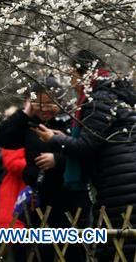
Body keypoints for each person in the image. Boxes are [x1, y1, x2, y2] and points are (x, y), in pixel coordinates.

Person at [34, 49, 136, 261]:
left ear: (83, 74)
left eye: (73, 75)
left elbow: (86, 145)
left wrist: (54, 139)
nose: (72, 83)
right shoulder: (116, 96)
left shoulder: (98, 100)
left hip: (118, 184)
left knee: (116, 247)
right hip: (123, 179)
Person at [0, 76, 90, 261]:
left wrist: (58, 159)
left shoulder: (71, 122)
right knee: (40, 254)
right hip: (39, 201)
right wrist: (25, 113)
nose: (45, 109)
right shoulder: (28, 125)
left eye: (50, 103)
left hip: (69, 200)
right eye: (39, 103)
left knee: (72, 252)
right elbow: (1, 139)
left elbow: (86, 152)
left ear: (60, 101)